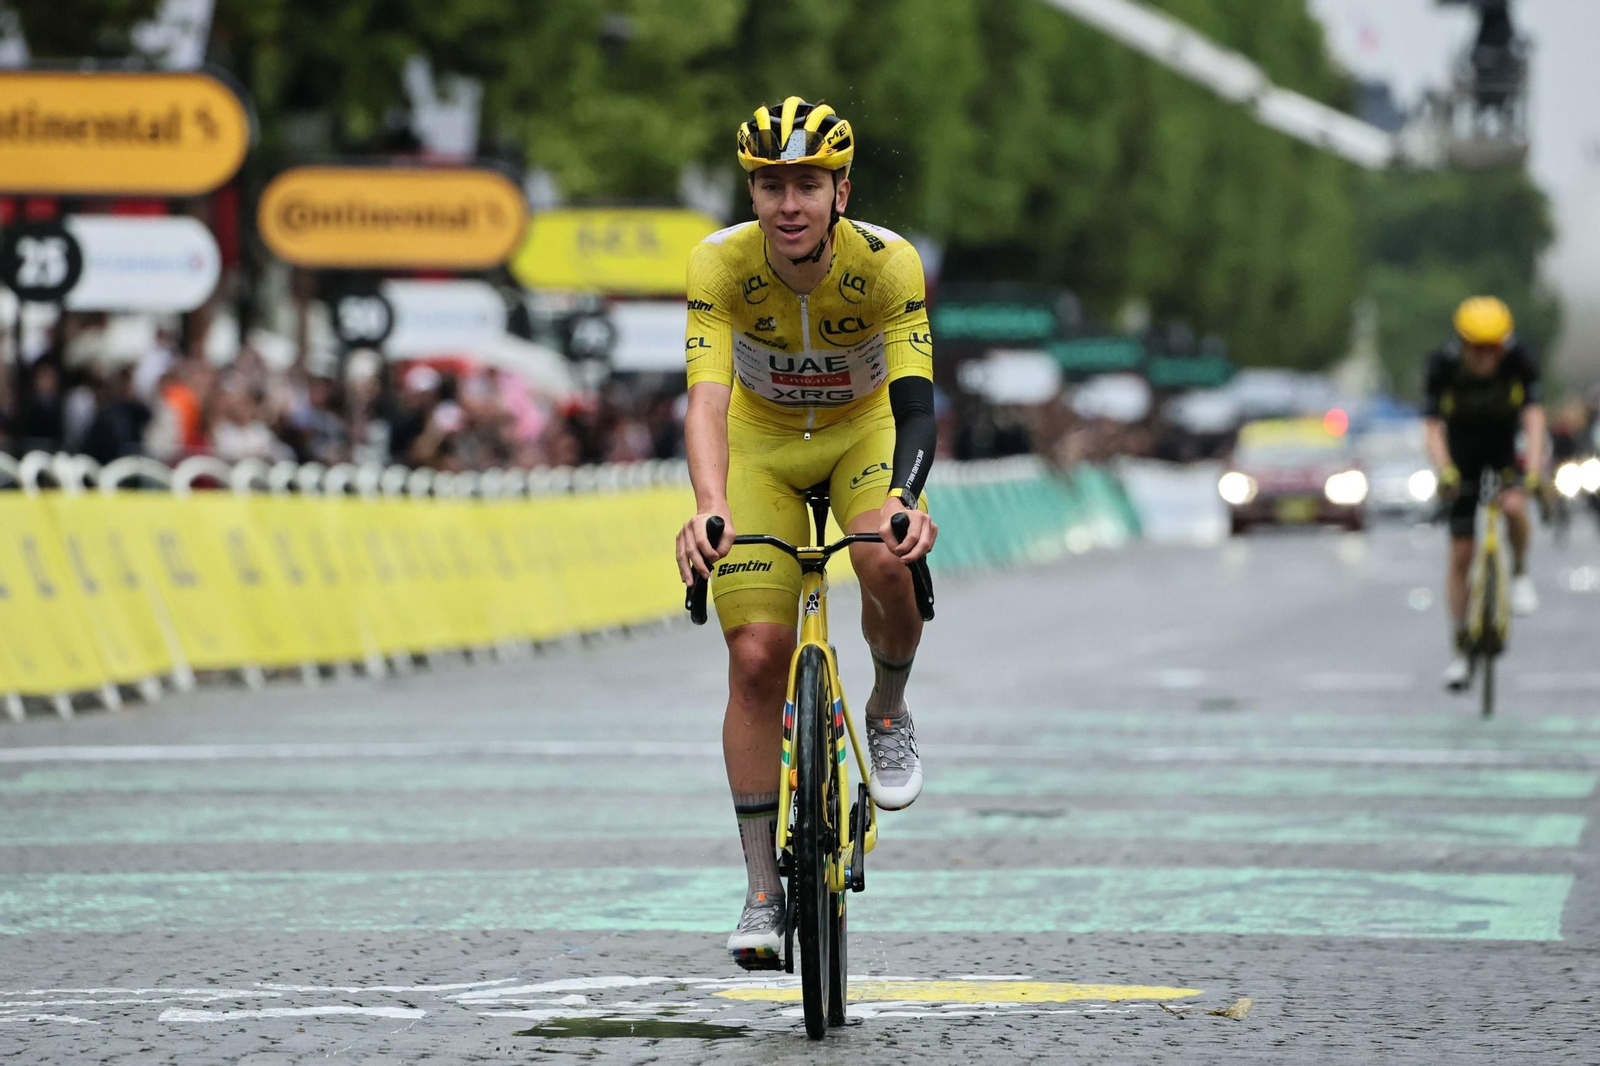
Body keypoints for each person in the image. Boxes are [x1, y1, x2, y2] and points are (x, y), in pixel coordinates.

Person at [674, 97, 938, 969]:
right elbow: (706, 400)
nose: (789, 205)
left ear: (840, 192)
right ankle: (761, 891)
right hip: (761, 448)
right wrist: (709, 504)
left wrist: (905, 498)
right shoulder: (718, 264)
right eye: (771, 186)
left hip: (863, 436)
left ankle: (887, 707)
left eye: (808, 186)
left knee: (885, 556)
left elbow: (916, 404)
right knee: (756, 656)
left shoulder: (889, 264)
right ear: (751, 193)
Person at [1423, 296, 1545, 691]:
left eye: (1493, 348)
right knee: (1461, 553)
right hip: (1461, 455)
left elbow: (1533, 417)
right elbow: (1432, 426)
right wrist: (1444, 469)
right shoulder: (1442, 364)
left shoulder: (1519, 360)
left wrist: (1533, 469)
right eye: (1477, 348)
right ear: (1463, 344)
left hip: (1503, 449)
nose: (1485, 357)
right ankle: (1460, 650)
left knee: (1513, 506)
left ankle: (1520, 572)